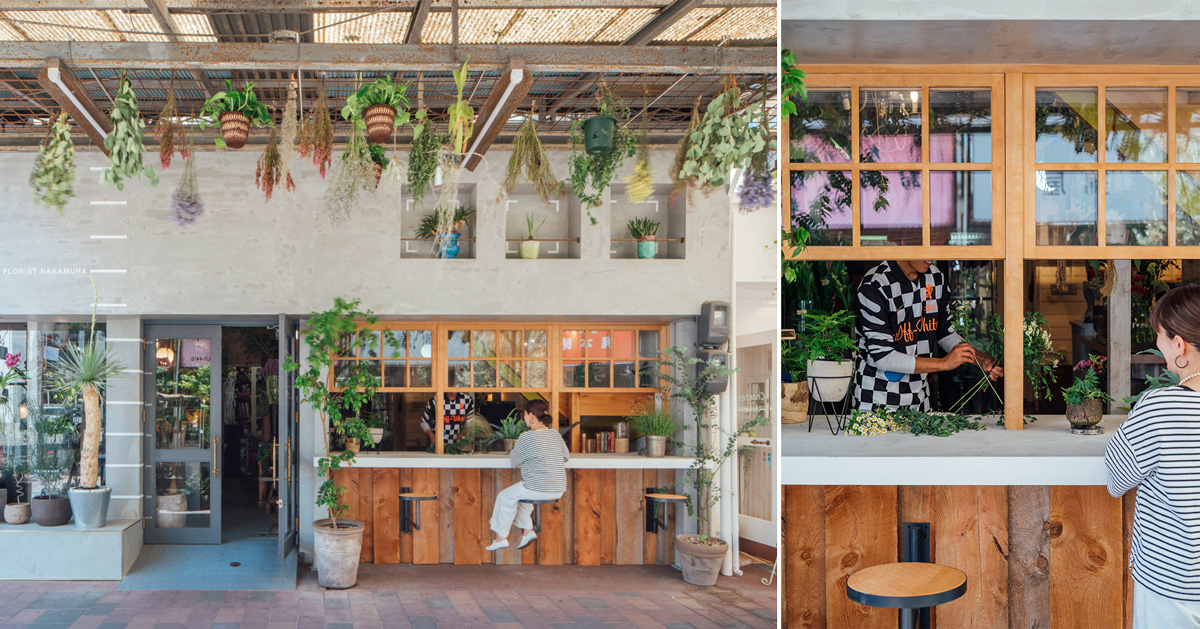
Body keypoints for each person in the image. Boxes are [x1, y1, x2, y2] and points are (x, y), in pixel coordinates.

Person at [1106, 285, 1200, 627]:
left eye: (1160, 335)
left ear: (1180, 345)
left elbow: (1117, 481)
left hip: (1172, 583)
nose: (1158, 344)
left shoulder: (1160, 407)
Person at [852, 260, 1002, 412]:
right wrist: (944, 363)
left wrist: (980, 359)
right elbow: (884, 358)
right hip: (876, 401)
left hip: (920, 402)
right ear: (904, 241)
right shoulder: (874, 285)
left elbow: (946, 334)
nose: (931, 256)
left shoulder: (935, 277)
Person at [485, 400, 569, 552]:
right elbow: (565, 456)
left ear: (531, 416)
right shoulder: (555, 434)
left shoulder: (526, 437)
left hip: (537, 486)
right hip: (558, 488)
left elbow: (514, 461)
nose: (524, 419)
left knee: (505, 497)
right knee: (520, 498)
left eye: (524, 415)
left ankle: (501, 538)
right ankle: (527, 531)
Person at [420, 371, 475, 445]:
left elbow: (469, 421)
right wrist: (432, 437)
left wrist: (463, 432)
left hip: (460, 445)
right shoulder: (435, 401)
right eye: (449, 385)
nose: (452, 388)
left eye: (454, 385)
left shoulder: (467, 400)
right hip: (439, 445)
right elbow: (424, 422)